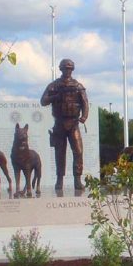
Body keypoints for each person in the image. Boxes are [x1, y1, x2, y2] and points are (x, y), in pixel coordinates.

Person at [41, 59, 89, 190]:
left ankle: (77, 180)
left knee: (78, 152)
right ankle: (59, 180)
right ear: (61, 69)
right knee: (59, 152)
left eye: (69, 69)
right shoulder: (54, 85)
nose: (67, 71)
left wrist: (84, 116)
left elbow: (85, 102)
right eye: (65, 69)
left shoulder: (78, 86)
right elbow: (43, 101)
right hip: (59, 124)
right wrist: (55, 97)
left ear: (72, 70)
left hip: (74, 123)